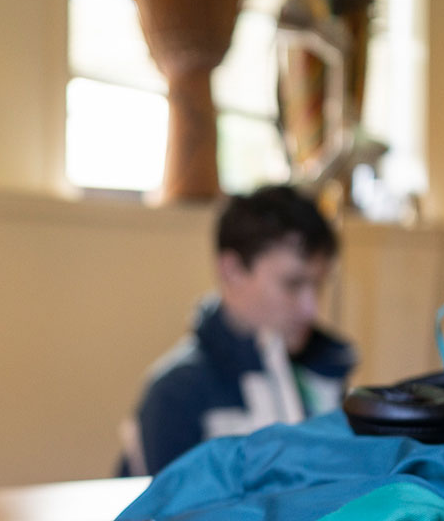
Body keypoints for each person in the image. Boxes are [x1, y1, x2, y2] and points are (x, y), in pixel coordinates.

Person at [122, 185, 356, 476]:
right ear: (231, 270)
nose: (310, 308)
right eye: (292, 285)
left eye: (318, 285)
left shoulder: (326, 371)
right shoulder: (176, 394)